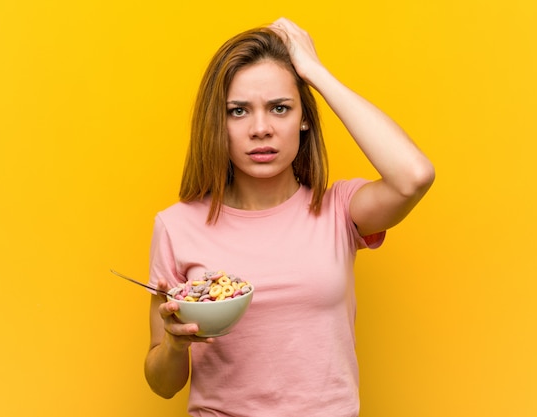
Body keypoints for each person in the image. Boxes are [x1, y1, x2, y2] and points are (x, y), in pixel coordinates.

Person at [144, 17, 434, 417]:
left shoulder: (338, 211)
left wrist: (314, 72)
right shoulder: (176, 226)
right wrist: (176, 345)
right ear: (218, 123)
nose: (261, 129)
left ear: (304, 119)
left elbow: (414, 176)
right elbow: (163, 386)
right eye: (238, 111)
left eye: (280, 108)